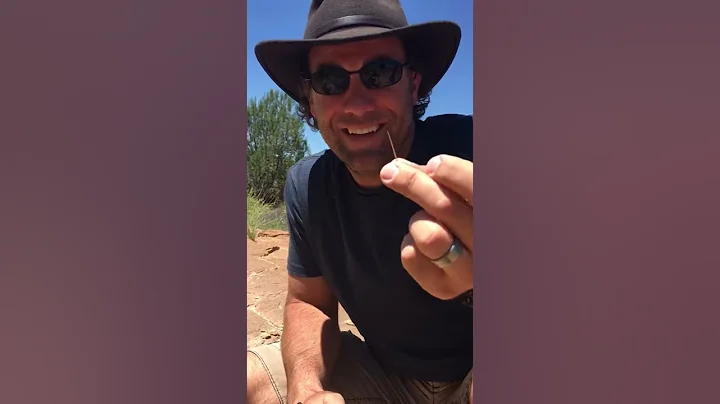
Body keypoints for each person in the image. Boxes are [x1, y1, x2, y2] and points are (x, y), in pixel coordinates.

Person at [248, 0, 474, 402]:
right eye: (330, 80)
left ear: (414, 84)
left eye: (380, 73)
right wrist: (306, 389)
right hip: (383, 377)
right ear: (309, 99)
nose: (357, 104)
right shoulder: (307, 187)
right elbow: (308, 301)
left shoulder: (474, 149)